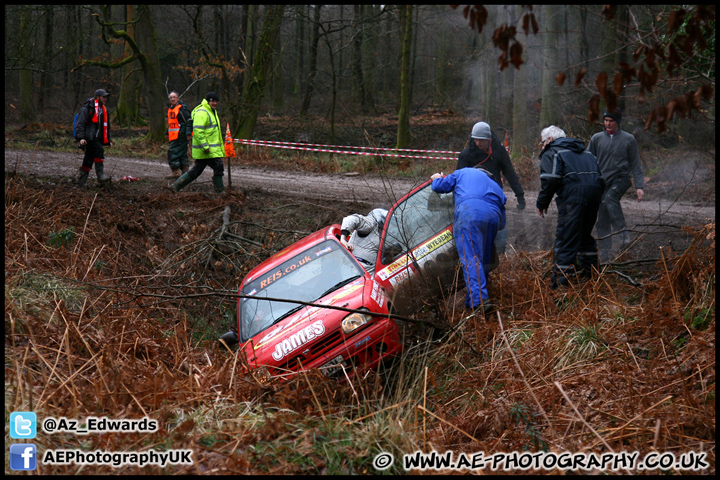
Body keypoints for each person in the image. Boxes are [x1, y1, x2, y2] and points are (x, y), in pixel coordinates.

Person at [430, 166, 507, 314]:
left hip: (470, 214)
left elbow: (441, 187)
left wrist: (437, 179)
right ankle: (472, 300)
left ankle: (479, 301)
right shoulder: (497, 188)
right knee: (483, 261)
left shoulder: (463, 172)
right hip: (493, 219)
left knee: (471, 258)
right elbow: (502, 224)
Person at [536, 126, 605, 289]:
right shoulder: (587, 153)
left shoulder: (553, 152)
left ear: (550, 140)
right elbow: (601, 179)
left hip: (573, 197)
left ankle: (560, 284)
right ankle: (592, 277)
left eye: (542, 142)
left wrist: (542, 203)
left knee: (566, 238)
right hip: (594, 195)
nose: (542, 146)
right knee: (584, 236)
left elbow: (550, 180)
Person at [456, 121, 525, 254]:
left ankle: (500, 252)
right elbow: (459, 179)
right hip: (473, 196)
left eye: (481, 140)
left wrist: (520, 195)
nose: (477, 143)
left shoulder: (499, 152)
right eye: (475, 140)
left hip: (494, 194)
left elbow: (509, 172)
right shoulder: (466, 155)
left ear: (489, 139)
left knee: (498, 224)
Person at [587, 108, 644, 262]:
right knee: (602, 217)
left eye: (611, 121)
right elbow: (588, 160)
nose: (608, 123)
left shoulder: (628, 139)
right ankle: (605, 252)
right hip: (602, 181)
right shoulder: (596, 138)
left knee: (611, 198)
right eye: (606, 120)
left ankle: (623, 232)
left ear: (617, 122)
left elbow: (636, 164)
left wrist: (639, 186)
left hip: (621, 178)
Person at [172, 92, 225, 193]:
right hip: (207, 149)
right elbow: (198, 131)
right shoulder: (202, 112)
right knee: (218, 166)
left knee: (197, 170)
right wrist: (205, 146)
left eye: (216, 101)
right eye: (212, 101)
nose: (215, 103)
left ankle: (175, 187)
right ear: (208, 101)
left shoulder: (211, 111)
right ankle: (220, 192)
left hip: (209, 148)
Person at [74, 89, 113, 188]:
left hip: (97, 138)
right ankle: (101, 176)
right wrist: (81, 138)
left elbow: (106, 126)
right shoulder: (87, 108)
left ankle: (81, 182)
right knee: (99, 150)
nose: (105, 99)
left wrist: (109, 140)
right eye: (103, 97)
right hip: (89, 138)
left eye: (106, 97)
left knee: (88, 158)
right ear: (97, 97)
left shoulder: (103, 110)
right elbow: (80, 124)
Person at [340, 208, 388, 274]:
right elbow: (351, 219)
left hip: (367, 273)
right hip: (352, 269)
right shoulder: (371, 225)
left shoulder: (384, 236)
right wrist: (343, 239)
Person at [165, 91, 193, 179]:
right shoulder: (171, 109)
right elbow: (171, 122)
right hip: (173, 135)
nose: (172, 99)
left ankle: (175, 171)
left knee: (172, 151)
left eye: (174, 97)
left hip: (181, 134)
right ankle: (185, 172)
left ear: (178, 98)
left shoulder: (182, 109)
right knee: (182, 153)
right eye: (171, 98)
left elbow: (189, 121)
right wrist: (167, 132)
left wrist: (188, 133)